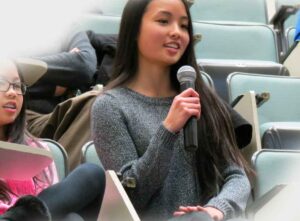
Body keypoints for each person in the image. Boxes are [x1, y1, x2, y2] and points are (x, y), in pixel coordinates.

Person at [91, 0, 251, 221]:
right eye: (163, 21)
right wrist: (168, 129)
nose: (177, 32)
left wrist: (217, 209)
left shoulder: (201, 98)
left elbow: (237, 175)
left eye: (184, 26)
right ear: (134, 29)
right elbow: (131, 196)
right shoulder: (110, 106)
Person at [0, 58, 105, 221]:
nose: (12, 92)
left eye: (17, 85)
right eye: (1, 82)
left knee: (73, 216)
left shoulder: (37, 149)